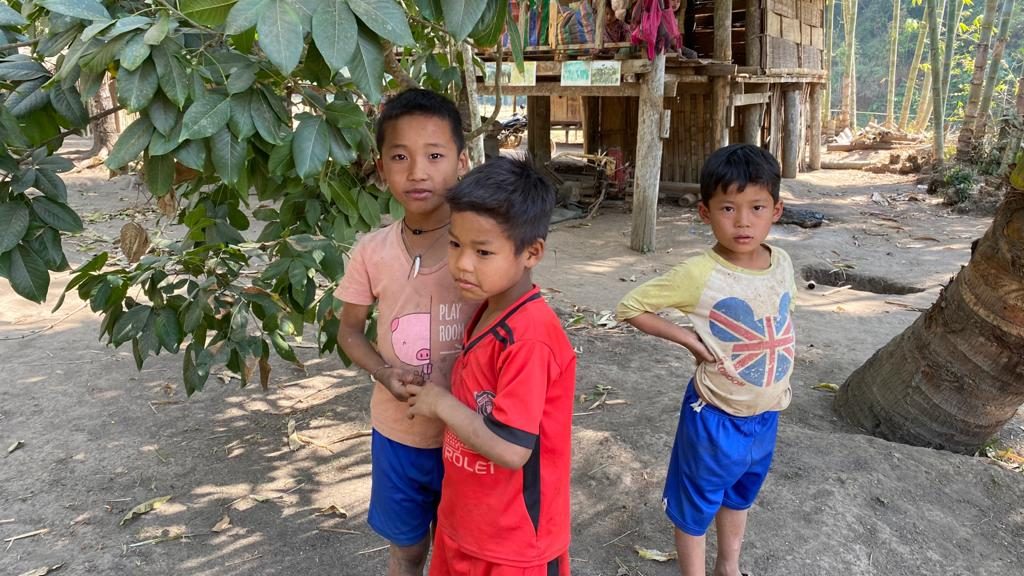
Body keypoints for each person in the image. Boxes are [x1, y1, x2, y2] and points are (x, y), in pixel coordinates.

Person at [615, 144, 796, 576]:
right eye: (728, 208)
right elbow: (631, 306)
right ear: (704, 213)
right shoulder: (700, 273)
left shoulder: (782, 261)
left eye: (756, 207)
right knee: (695, 503)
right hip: (713, 417)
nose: (743, 221)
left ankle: (728, 566)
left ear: (777, 210)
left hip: (766, 414)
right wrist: (689, 341)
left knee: (740, 495)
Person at [405, 157, 576, 576]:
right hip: (466, 525)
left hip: (514, 546)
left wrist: (439, 403)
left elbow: (511, 450)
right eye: (455, 243)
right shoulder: (486, 311)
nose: (462, 263)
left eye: (483, 251)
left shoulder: (530, 338)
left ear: (531, 252)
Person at [335, 88, 473, 576]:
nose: (417, 171)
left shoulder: (483, 246)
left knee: (463, 553)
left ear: (462, 160)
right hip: (399, 434)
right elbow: (349, 332)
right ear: (381, 166)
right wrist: (383, 373)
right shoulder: (370, 250)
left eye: (434, 155)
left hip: (473, 437)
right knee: (408, 551)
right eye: (400, 156)